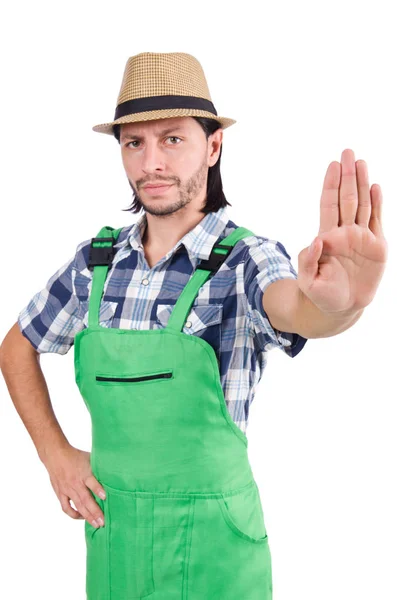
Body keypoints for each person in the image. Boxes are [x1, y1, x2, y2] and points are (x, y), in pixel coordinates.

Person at [0, 52, 387, 599]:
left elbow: (296, 308)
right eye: (134, 142)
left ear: (213, 145)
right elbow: (16, 347)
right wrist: (54, 455)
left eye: (172, 138)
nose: (151, 162)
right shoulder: (96, 263)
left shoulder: (246, 258)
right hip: (117, 540)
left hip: (215, 549)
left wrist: (341, 304)